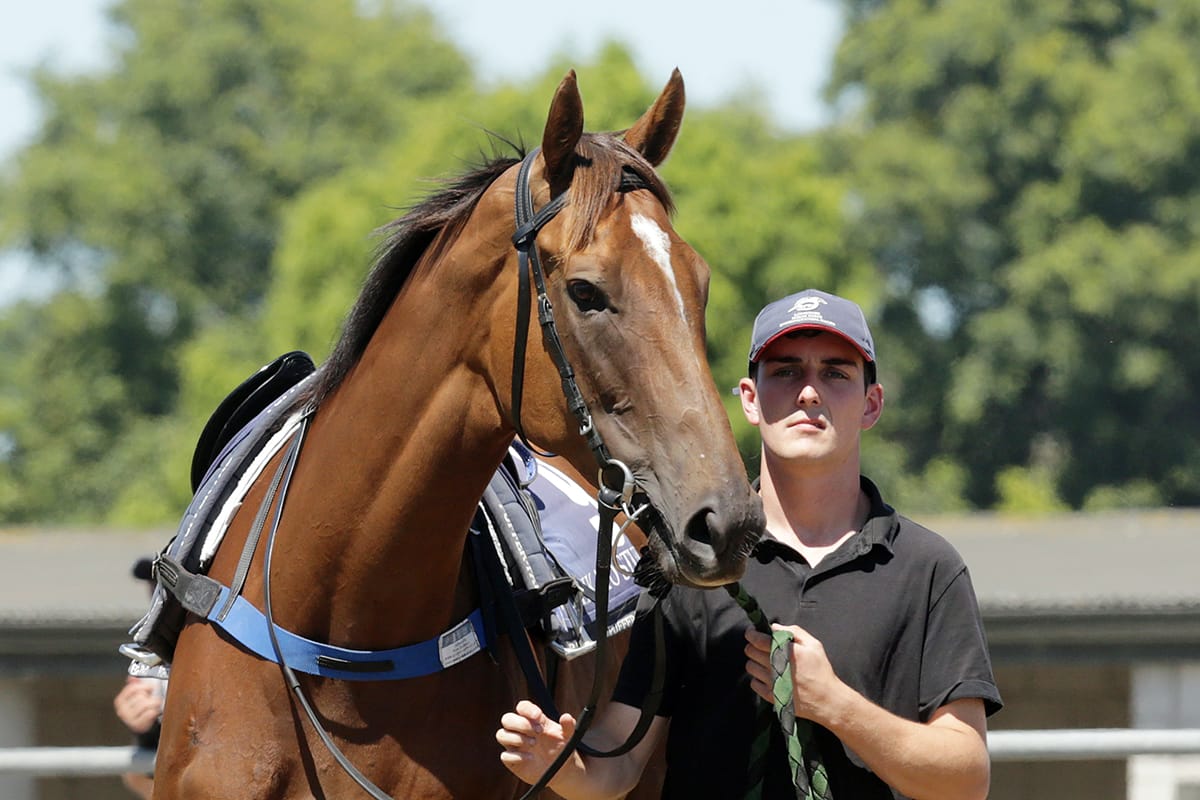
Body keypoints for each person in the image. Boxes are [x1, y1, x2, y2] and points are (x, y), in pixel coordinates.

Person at [496, 289, 1002, 799]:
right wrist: (558, 762)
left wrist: (834, 705)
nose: (808, 392)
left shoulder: (929, 568)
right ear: (750, 399)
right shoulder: (693, 559)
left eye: (835, 373)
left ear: (871, 404)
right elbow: (616, 768)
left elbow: (965, 778)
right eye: (785, 372)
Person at [113, 558, 165, 800]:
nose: (158, 596)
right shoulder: (150, 662)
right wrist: (146, 733)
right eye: (155, 587)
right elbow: (137, 780)